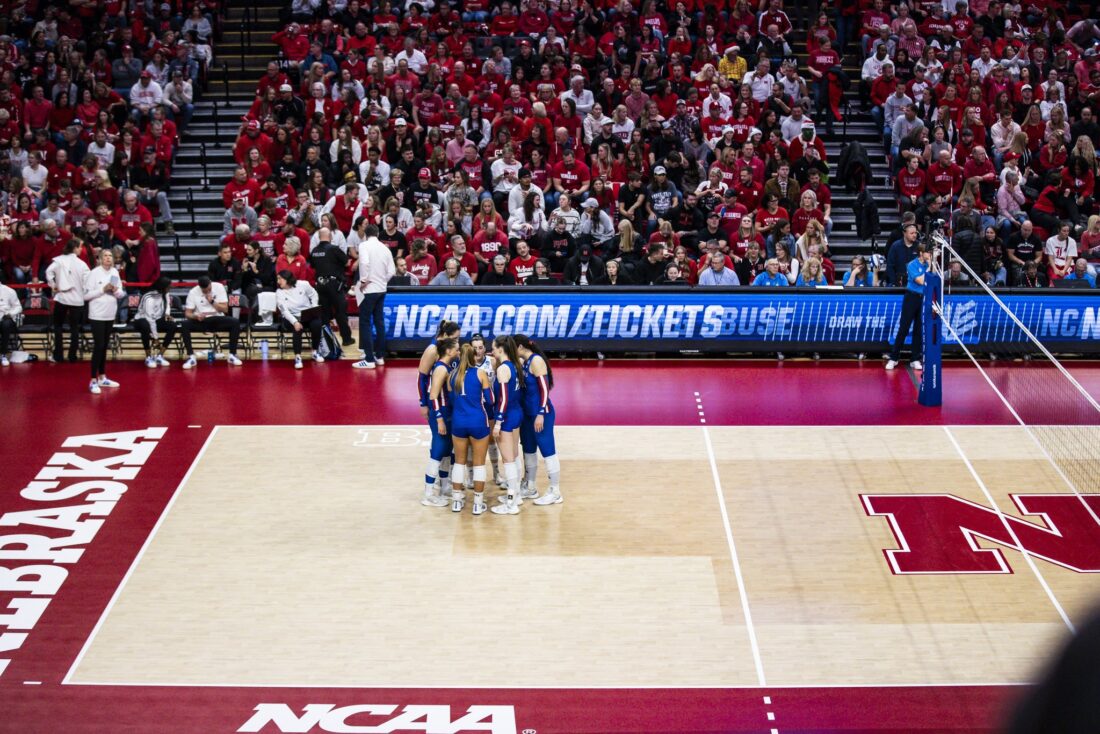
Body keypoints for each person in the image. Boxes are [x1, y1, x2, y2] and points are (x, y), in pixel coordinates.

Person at [513, 334, 562, 506]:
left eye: (513, 347)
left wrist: (541, 413)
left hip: (541, 414)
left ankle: (555, 491)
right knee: (528, 449)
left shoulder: (536, 361)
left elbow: (544, 389)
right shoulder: (524, 362)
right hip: (527, 414)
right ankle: (530, 486)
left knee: (548, 450)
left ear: (520, 347)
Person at [447, 343, 494, 516]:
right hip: (478, 421)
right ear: (474, 356)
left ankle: (457, 502)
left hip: (458, 422)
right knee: (479, 463)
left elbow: (452, 401)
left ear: (460, 357)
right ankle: (477, 503)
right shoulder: (481, 373)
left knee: (459, 462)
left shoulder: (452, 375)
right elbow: (490, 400)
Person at [418, 320, 461, 504]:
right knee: (439, 446)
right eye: (456, 338)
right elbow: (422, 378)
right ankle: (429, 492)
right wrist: (423, 403)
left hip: (449, 405)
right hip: (438, 406)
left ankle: (444, 486)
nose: (459, 342)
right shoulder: (433, 352)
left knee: (448, 447)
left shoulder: (450, 357)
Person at [488, 335, 526, 513]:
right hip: (516, 413)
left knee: (508, 460)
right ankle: (516, 495)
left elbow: (503, 399)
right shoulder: (515, 364)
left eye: (494, 347)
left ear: (501, 349)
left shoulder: (503, 369)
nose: (492, 350)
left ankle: (511, 504)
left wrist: (498, 423)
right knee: (514, 456)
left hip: (507, 416)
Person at [353, 224, 396, 369]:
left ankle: (369, 359)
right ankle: (380, 357)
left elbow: (364, 262)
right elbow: (392, 270)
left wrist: (364, 280)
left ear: (365, 234)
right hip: (381, 289)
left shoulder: (364, 245)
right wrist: (383, 281)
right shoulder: (385, 248)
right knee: (379, 322)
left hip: (369, 290)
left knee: (365, 323)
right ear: (377, 234)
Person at [83, 249, 125, 394]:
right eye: (105, 256)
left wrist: (115, 290)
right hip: (97, 314)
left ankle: (102, 377)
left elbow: (121, 293)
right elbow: (86, 296)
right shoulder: (94, 273)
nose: (108, 258)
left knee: (105, 345)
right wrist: (102, 289)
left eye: (110, 256)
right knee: (99, 345)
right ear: (100, 259)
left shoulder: (115, 272)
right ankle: (92, 380)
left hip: (110, 314)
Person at [180, 276, 244, 369]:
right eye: (204, 291)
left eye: (208, 289)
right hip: (202, 320)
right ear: (199, 287)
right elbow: (187, 313)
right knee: (185, 324)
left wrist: (212, 301)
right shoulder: (193, 292)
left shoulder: (219, 287)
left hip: (217, 318)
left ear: (210, 283)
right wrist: (196, 316)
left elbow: (225, 309)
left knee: (234, 322)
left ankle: (232, 355)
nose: (206, 292)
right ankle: (191, 357)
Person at [886, 243, 930, 371]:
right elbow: (920, 281)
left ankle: (915, 358)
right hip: (911, 297)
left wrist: (931, 266)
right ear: (921, 253)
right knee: (904, 327)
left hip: (924, 298)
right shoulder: (912, 265)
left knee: (918, 328)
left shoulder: (930, 265)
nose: (930, 256)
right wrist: (928, 268)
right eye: (928, 253)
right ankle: (894, 357)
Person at [44, 239, 88, 363]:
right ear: (74, 248)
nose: (81, 249)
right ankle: (72, 356)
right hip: (77, 299)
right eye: (80, 247)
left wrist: (53, 285)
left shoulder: (59, 260)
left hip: (62, 297)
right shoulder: (82, 264)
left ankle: (58, 356)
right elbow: (88, 281)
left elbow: (48, 272)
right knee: (75, 328)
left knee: (58, 326)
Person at [308, 227, 354, 346]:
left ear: (318, 237)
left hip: (320, 285)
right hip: (334, 285)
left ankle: (326, 341)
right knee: (340, 312)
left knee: (324, 314)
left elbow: (313, 266)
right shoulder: (334, 249)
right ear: (330, 237)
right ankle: (346, 339)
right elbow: (347, 262)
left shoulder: (314, 251)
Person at [276, 270, 324, 368]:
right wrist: (295, 322)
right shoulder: (279, 292)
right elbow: (284, 311)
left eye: (280, 279)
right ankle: (297, 356)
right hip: (291, 317)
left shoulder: (303, 284)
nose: (278, 281)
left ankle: (315, 351)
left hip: (307, 314)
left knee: (317, 324)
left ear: (288, 279)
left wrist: (314, 307)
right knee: (297, 328)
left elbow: (313, 294)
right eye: (277, 279)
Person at [133, 275, 178, 367]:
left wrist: (167, 314)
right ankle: (148, 357)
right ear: (162, 287)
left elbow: (167, 305)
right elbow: (150, 319)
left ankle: (160, 355)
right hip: (143, 319)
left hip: (157, 318)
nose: (170, 288)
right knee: (145, 326)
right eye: (169, 287)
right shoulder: (149, 298)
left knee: (173, 325)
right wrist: (156, 337)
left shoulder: (165, 292)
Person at [0, 281, 21, 366]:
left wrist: (10, 314)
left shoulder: (9, 291)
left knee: (6, 324)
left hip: (5, 317)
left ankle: (3, 354)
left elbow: (18, 307)